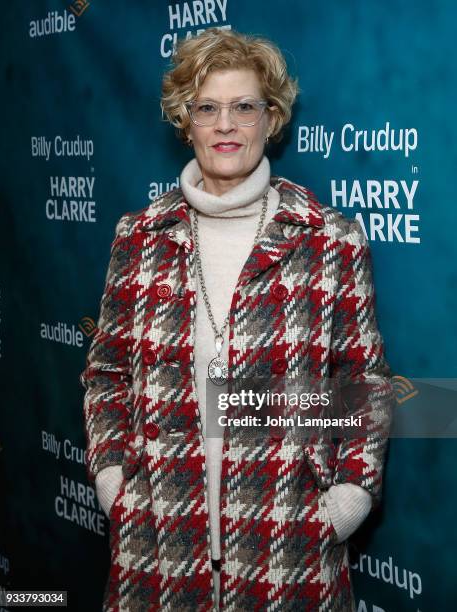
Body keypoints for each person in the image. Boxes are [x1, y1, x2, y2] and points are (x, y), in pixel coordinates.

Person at [80, 28, 394, 611]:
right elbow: (106, 374)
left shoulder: (329, 239)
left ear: (271, 118)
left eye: (244, 107)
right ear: (186, 121)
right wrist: (112, 482)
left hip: (290, 548)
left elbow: (365, 382)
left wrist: (347, 498)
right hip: (156, 546)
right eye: (207, 108)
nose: (226, 125)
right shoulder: (140, 236)